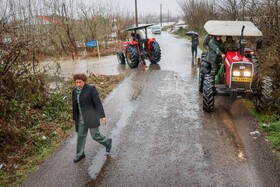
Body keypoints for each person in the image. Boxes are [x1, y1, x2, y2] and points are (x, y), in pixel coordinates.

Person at [72, 73, 112, 163]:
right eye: (77, 82)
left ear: (84, 81)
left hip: (91, 117)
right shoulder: (74, 92)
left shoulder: (91, 89)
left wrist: (102, 116)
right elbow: (74, 106)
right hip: (81, 119)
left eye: (80, 82)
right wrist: (75, 118)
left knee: (95, 136)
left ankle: (107, 142)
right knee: (80, 137)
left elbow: (97, 103)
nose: (78, 84)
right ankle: (80, 153)